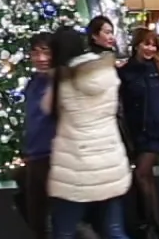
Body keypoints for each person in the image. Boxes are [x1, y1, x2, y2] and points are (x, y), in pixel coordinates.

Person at [45, 26, 129, 239]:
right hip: (109, 160)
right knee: (114, 230)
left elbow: (47, 108)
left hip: (76, 167)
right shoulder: (104, 70)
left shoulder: (63, 80)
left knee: (63, 232)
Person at [116, 29, 159, 239]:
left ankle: (156, 225)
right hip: (135, 134)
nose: (150, 49)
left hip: (156, 133)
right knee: (145, 178)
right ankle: (149, 223)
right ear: (136, 45)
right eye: (146, 44)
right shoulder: (126, 72)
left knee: (142, 174)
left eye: (154, 45)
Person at [17, 33, 56, 236]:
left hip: (55, 157)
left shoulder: (60, 82)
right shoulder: (33, 83)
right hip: (34, 157)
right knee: (36, 220)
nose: (41, 58)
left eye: (45, 52)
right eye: (35, 53)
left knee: (59, 220)